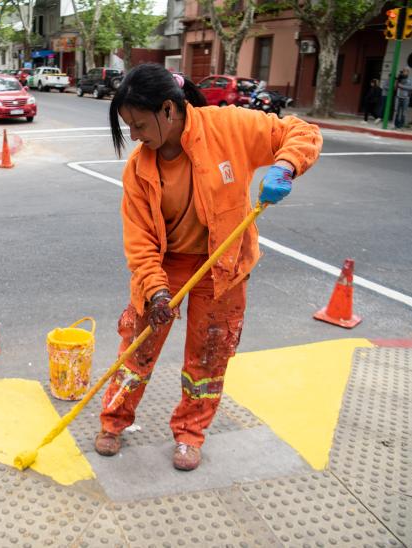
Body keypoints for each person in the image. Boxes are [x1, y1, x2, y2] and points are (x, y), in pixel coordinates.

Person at [96, 64, 322, 472]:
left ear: (168, 109)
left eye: (140, 124)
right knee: (137, 350)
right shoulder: (138, 169)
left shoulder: (228, 127)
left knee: (207, 357)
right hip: (164, 270)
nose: (136, 136)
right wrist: (156, 290)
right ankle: (113, 421)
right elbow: (140, 242)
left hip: (223, 268)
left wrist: (286, 165)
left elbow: (302, 132)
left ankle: (189, 434)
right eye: (128, 126)